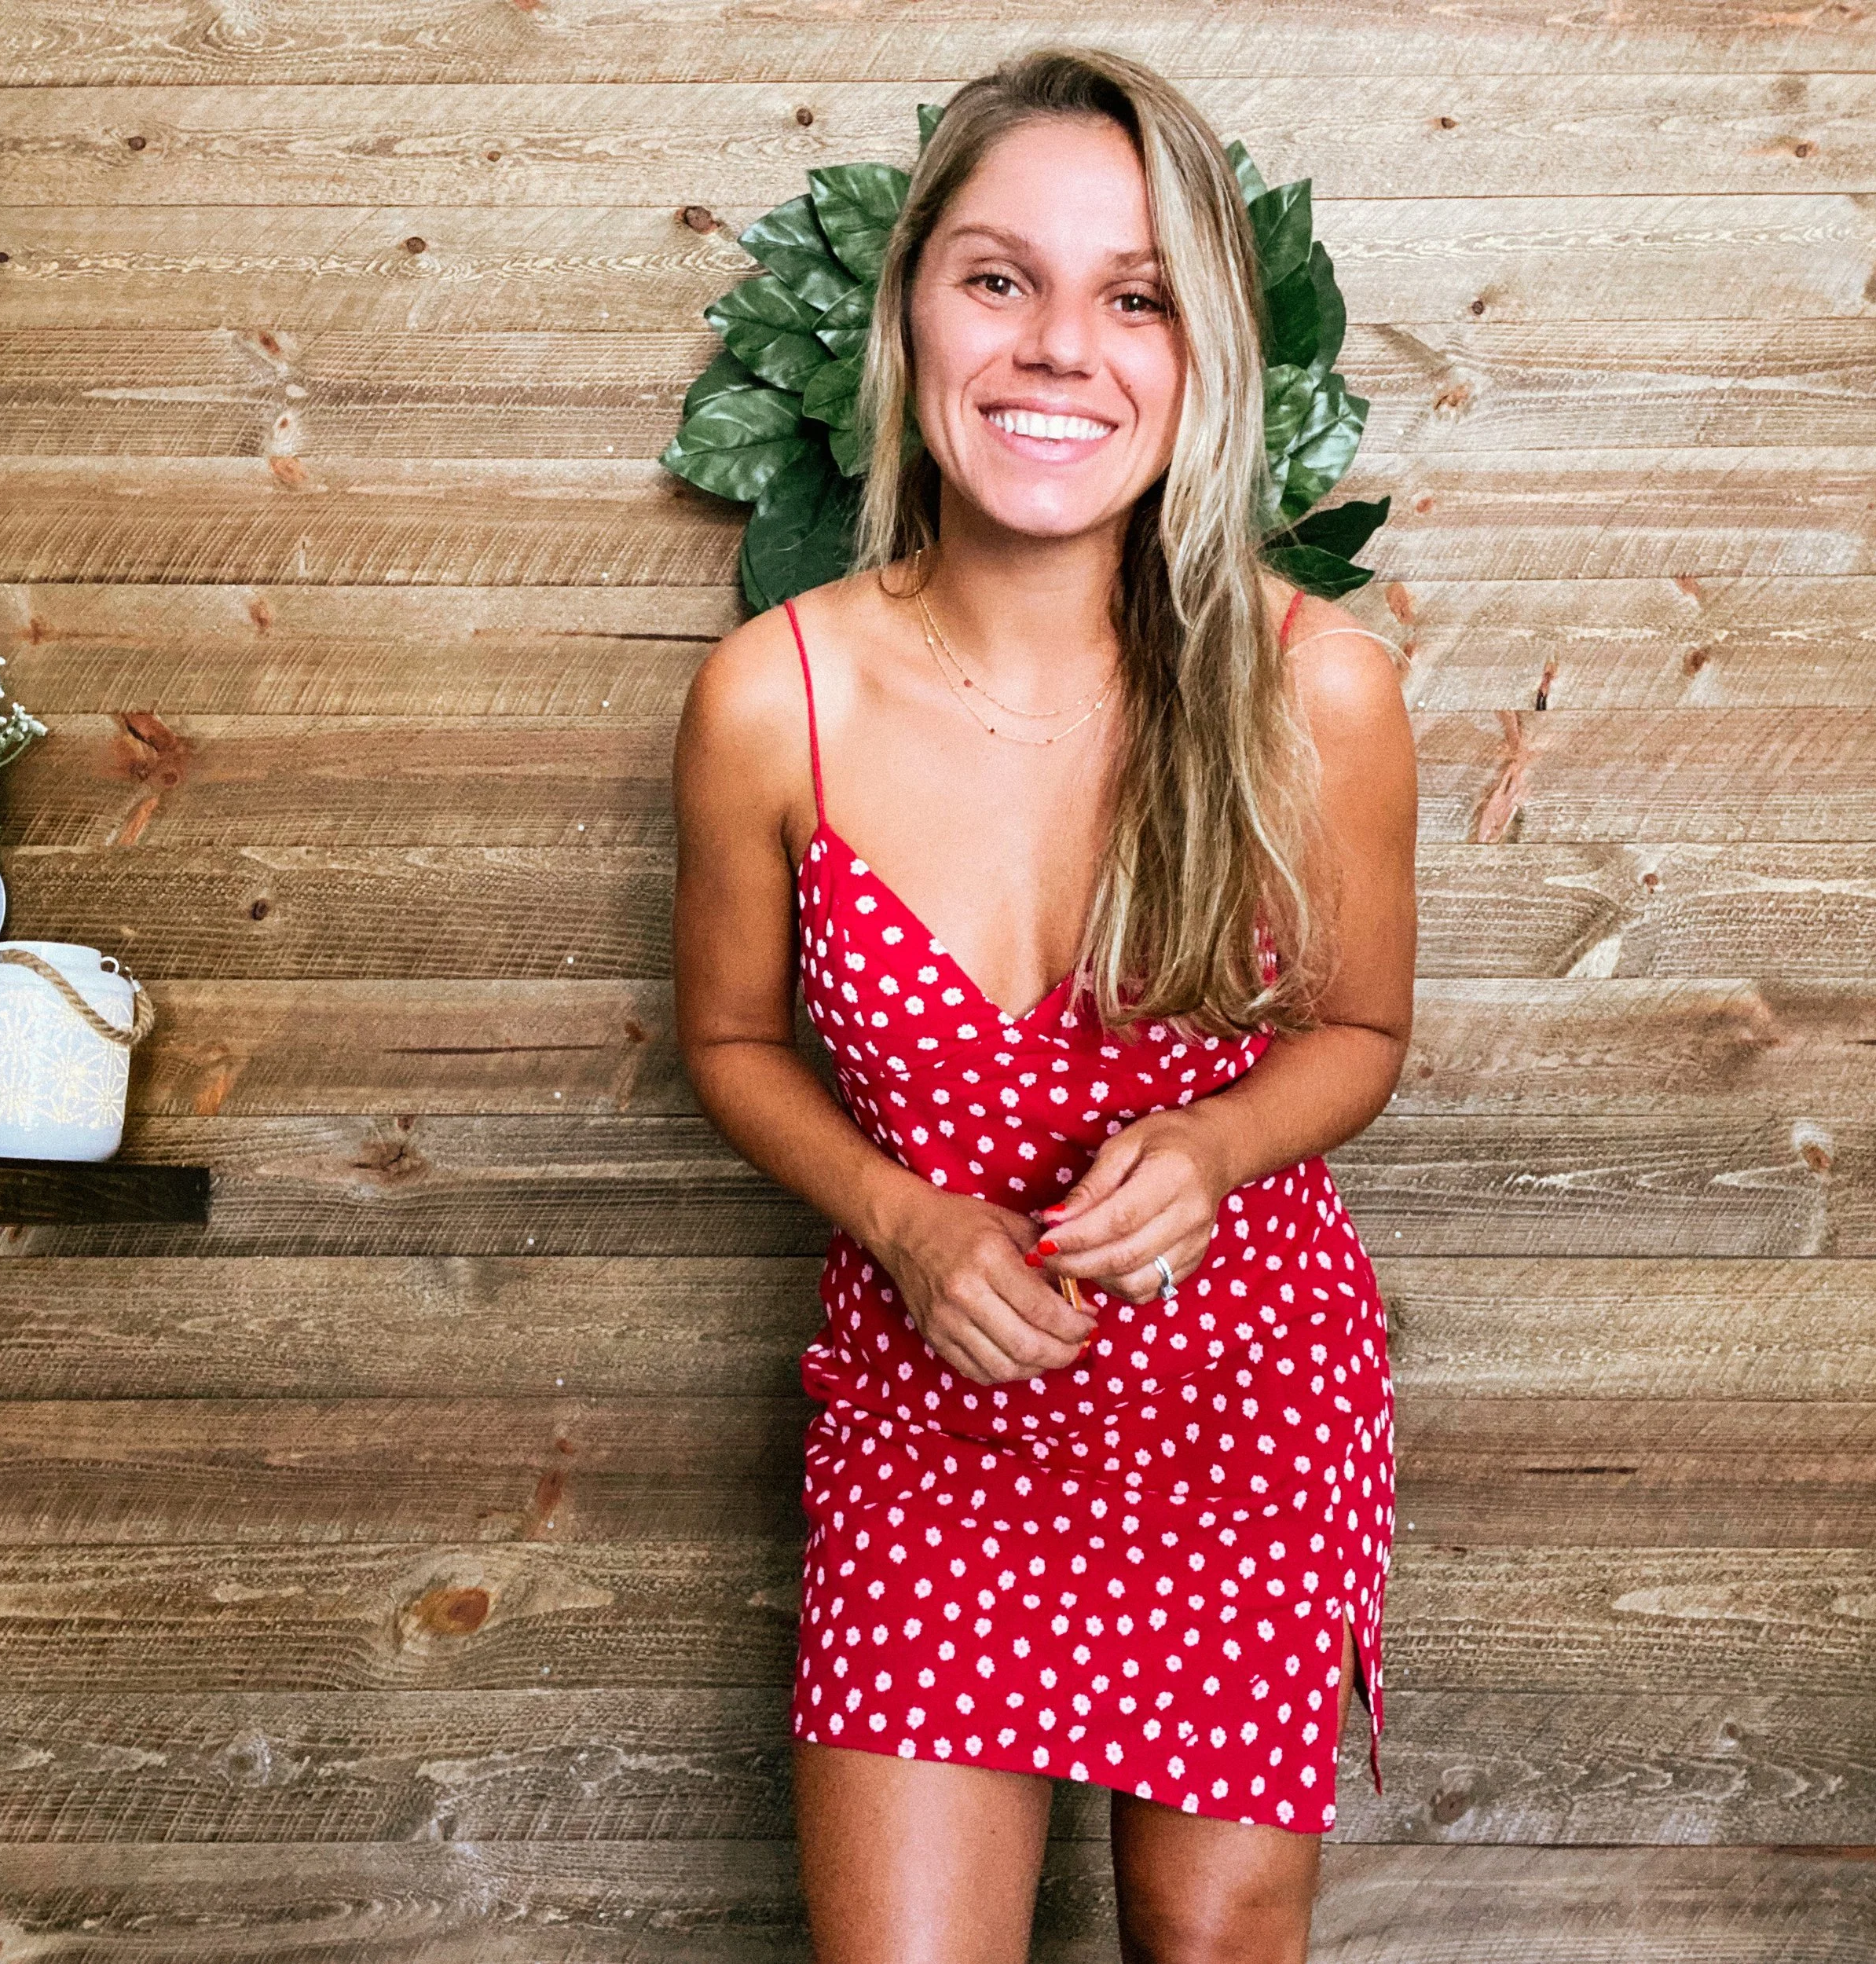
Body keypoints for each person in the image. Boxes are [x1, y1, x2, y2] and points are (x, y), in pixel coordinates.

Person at [672, 44, 1416, 1964]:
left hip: (1240, 1413)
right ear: (913, 305)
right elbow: (733, 1040)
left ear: (1201, 353)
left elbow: (1357, 1030)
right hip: (934, 1418)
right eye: (998, 277)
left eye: (1134, 292)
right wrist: (903, 1217)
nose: (1057, 345)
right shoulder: (777, 692)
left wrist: (1221, 1134)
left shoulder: (1313, 685)